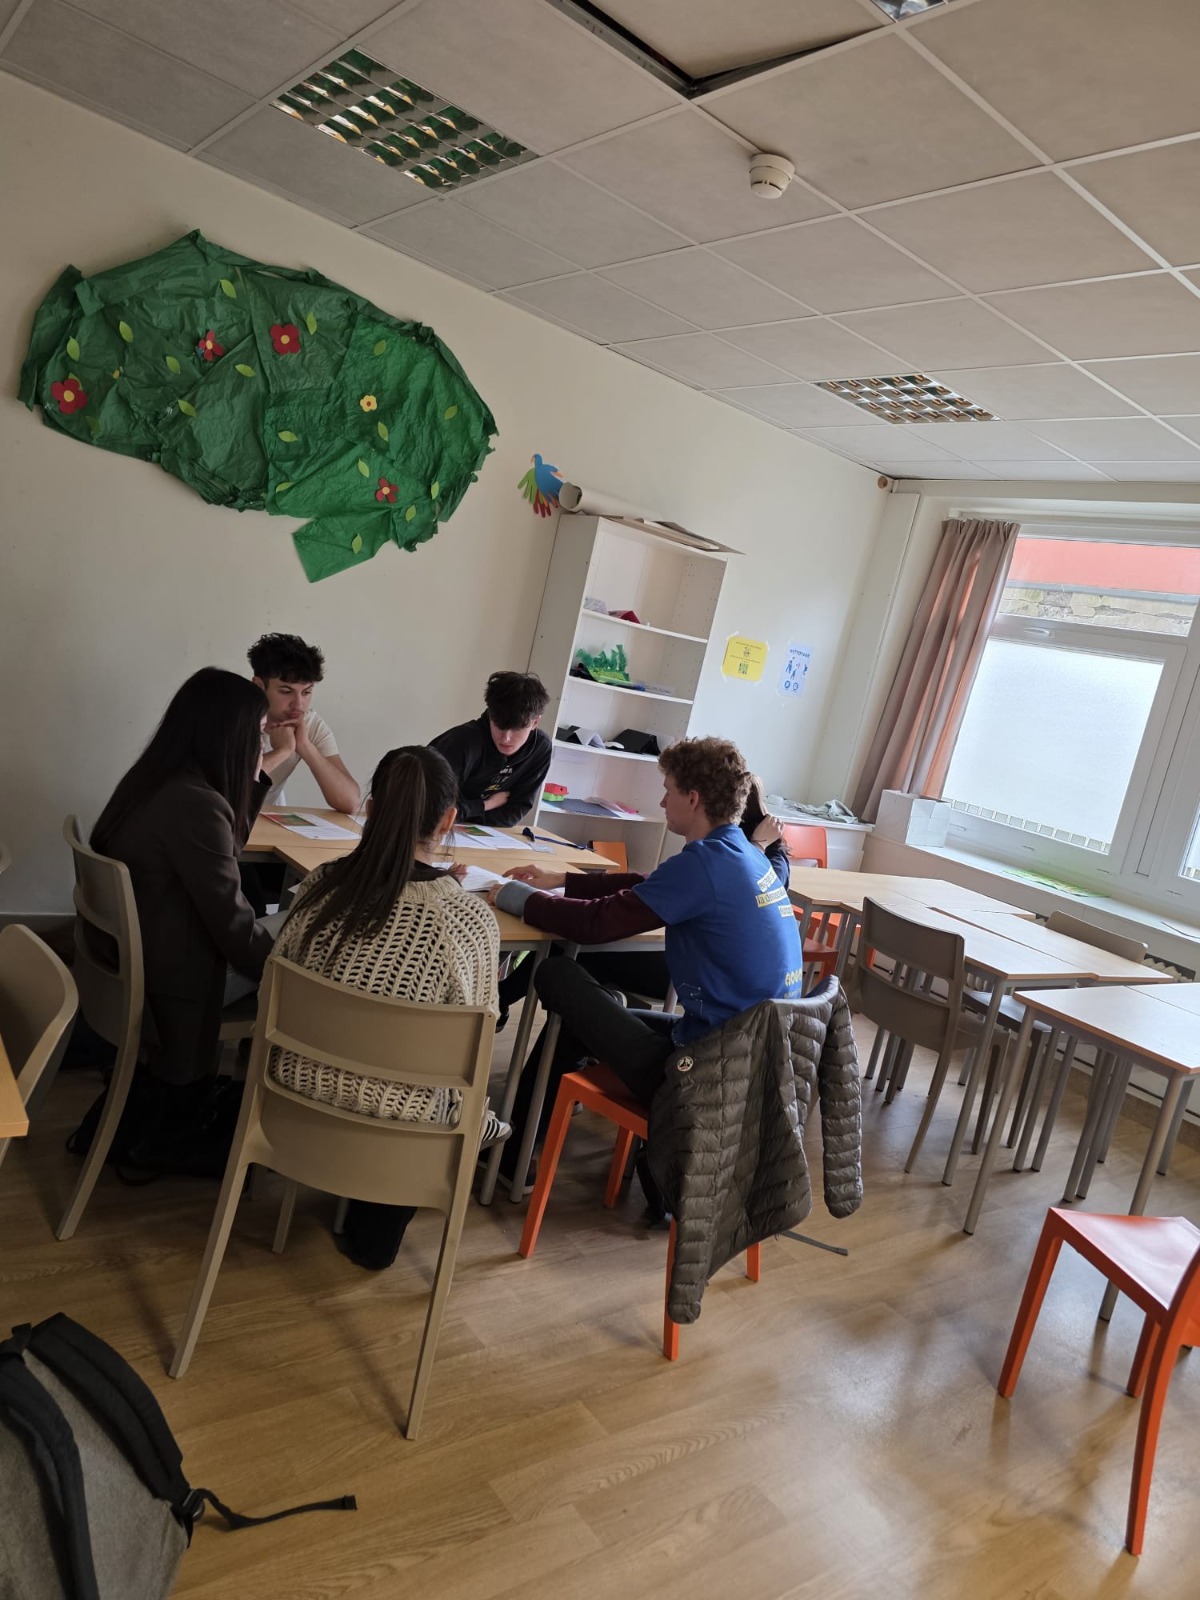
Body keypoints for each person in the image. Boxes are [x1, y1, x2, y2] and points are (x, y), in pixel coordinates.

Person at [488, 737, 805, 1194]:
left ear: (692, 798)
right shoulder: (743, 854)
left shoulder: (708, 863)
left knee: (557, 973)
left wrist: (513, 896)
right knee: (582, 1017)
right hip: (744, 1066)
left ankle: (511, 1150)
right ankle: (513, 1154)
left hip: (700, 1076)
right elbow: (651, 882)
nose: (661, 801)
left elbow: (594, 925)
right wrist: (562, 880)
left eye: (667, 790)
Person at [271, 745, 510, 1270]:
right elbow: (473, 1057)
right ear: (449, 820)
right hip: (399, 1135)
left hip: (290, 1104)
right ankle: (371, 1235)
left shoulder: (317, 887)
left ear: (372, 809)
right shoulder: (466, 922)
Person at [84, 668, 279, 1172]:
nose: (263, 745)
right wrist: (290, 970)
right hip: (178, 976)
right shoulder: (196, 805)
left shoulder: (154, 779)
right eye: (259, 734)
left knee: (287, 929)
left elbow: (225, 854)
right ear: (231, 737)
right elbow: (233, 929)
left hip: (141, 957)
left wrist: (251, 780)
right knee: (303, 938)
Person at [249, 632, 359, 814]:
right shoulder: (234, 717)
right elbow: (227, 792)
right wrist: (283, 751)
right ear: (259, 685)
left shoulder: (309, 723)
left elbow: (350, 802)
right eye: (286, 691)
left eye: (306, 692)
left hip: (261, 819)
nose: (299, 704)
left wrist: (305, 746)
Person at [430, 670, 551, 829]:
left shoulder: (540, 748)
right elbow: (432, 811)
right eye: (499, 726)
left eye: (517, 729)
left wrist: (466, 813)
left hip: (483, 833)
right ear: (490, 715)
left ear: (535, 722)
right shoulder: (459, 743)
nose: (506, 738)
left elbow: (513, 813)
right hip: (433, 829)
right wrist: (485, 805)